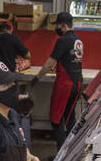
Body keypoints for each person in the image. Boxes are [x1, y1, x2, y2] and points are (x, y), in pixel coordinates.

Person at [36, 11, 84, 149]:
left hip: (65, 85)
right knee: (69, 119)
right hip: (77, 83)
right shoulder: (78, 40)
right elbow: (70, 60)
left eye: (57, 24)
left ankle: (60, 156)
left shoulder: (62, 41)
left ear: (63, 25)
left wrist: (37, 77)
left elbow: (49, 63)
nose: (56, 28)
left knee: (56, 120)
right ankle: (69, 154)